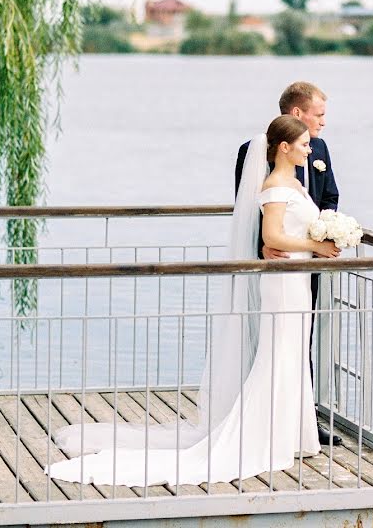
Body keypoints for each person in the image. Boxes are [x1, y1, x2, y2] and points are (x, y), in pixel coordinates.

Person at [45, 117, 338, 486]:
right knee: (278, 354)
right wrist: (315, 245)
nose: (308, 149)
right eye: (303, 144)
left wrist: (325, 234)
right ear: (284, 147)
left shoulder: (293, 182)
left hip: (296, 279)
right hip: (282, 282)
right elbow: (273, 236)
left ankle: (294, 433)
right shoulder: (275, 186)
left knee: (292, 354)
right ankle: (268, 434)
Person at [235, 81, 342, 447]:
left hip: (305, 266)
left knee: (299, 343)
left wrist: (330, 228)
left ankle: (301, 421)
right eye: (320, 114)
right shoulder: (252, 154)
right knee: (273, 342)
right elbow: (248, 209)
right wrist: (264, 247)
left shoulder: (321, 148)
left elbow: (330, 196)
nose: (323, 125)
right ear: (298, 114)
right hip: (277, 264)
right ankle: (265, 422)